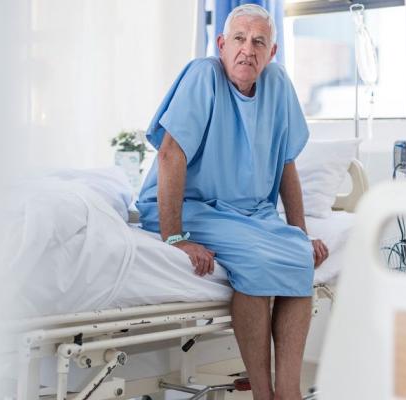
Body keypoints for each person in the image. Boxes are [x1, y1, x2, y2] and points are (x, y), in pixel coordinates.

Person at [136, 4, 328, 400]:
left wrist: (299, 232)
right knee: (256, 259)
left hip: (249, 213)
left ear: (271, 52)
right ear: (221, 44)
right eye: (238, 39)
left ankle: (287, 390)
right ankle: (263, 392)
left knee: (297, 254)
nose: (248, 49)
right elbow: (170, 153)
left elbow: (285, 161)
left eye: (259, 42)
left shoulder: (276, 83)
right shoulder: (203, 75)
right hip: (192, 206)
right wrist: (176, 238)